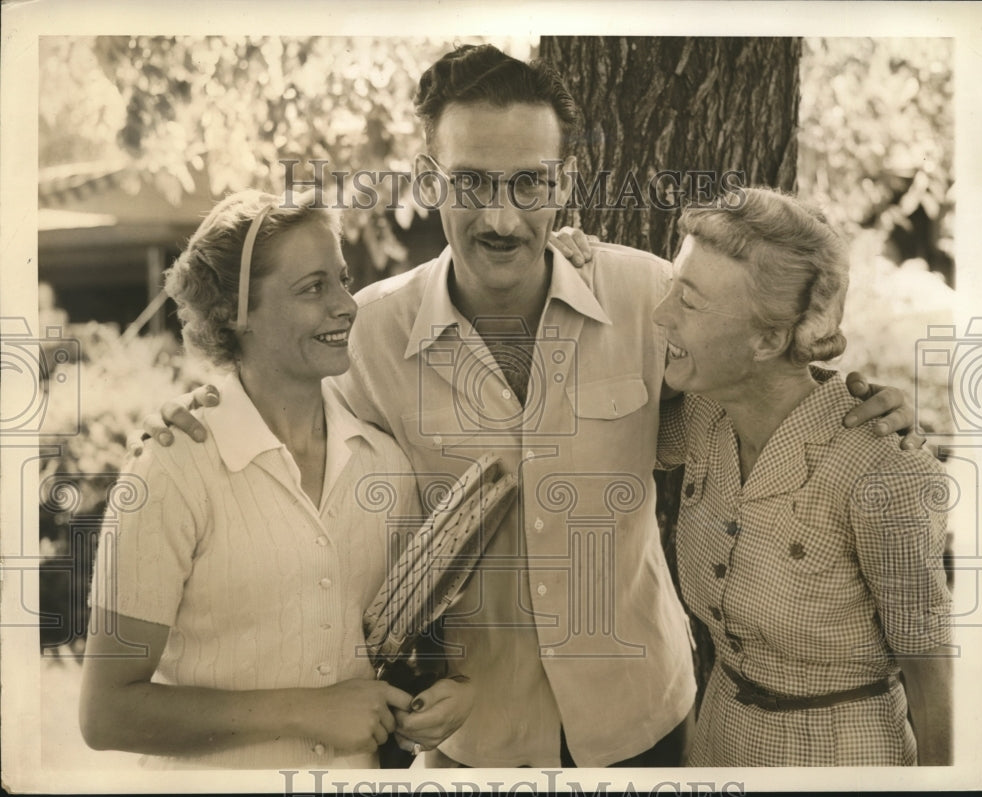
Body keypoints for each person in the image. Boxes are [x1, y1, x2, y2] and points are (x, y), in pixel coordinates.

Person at [144, 45, 921, 768]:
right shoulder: (366, 336)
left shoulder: (649, 295)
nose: (503, 217)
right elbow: (311, 498)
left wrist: (869, 409)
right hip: (469, 741)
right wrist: (205, 419)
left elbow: (761, 387)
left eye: (530, 183)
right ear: (428, 180)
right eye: (472, 182)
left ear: (566, 183)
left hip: (647, 721)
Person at [79, 190, 472, 769]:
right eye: (313, 288)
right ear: (236, 314)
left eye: (341, 278)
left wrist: (449, 693)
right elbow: (106, 713)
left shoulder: (385, 465)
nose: (347, 304)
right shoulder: (172, 466)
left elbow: (414, 647)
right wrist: (307, 710)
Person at [654, 187, 952, 766]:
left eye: (687, 302)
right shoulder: (702, 414)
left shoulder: (880, 467)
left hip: (841, 759)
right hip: (717, 741)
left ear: (767, 339)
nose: (660, 312)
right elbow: (599, 421)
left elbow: (933, 673)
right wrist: (568, 256)